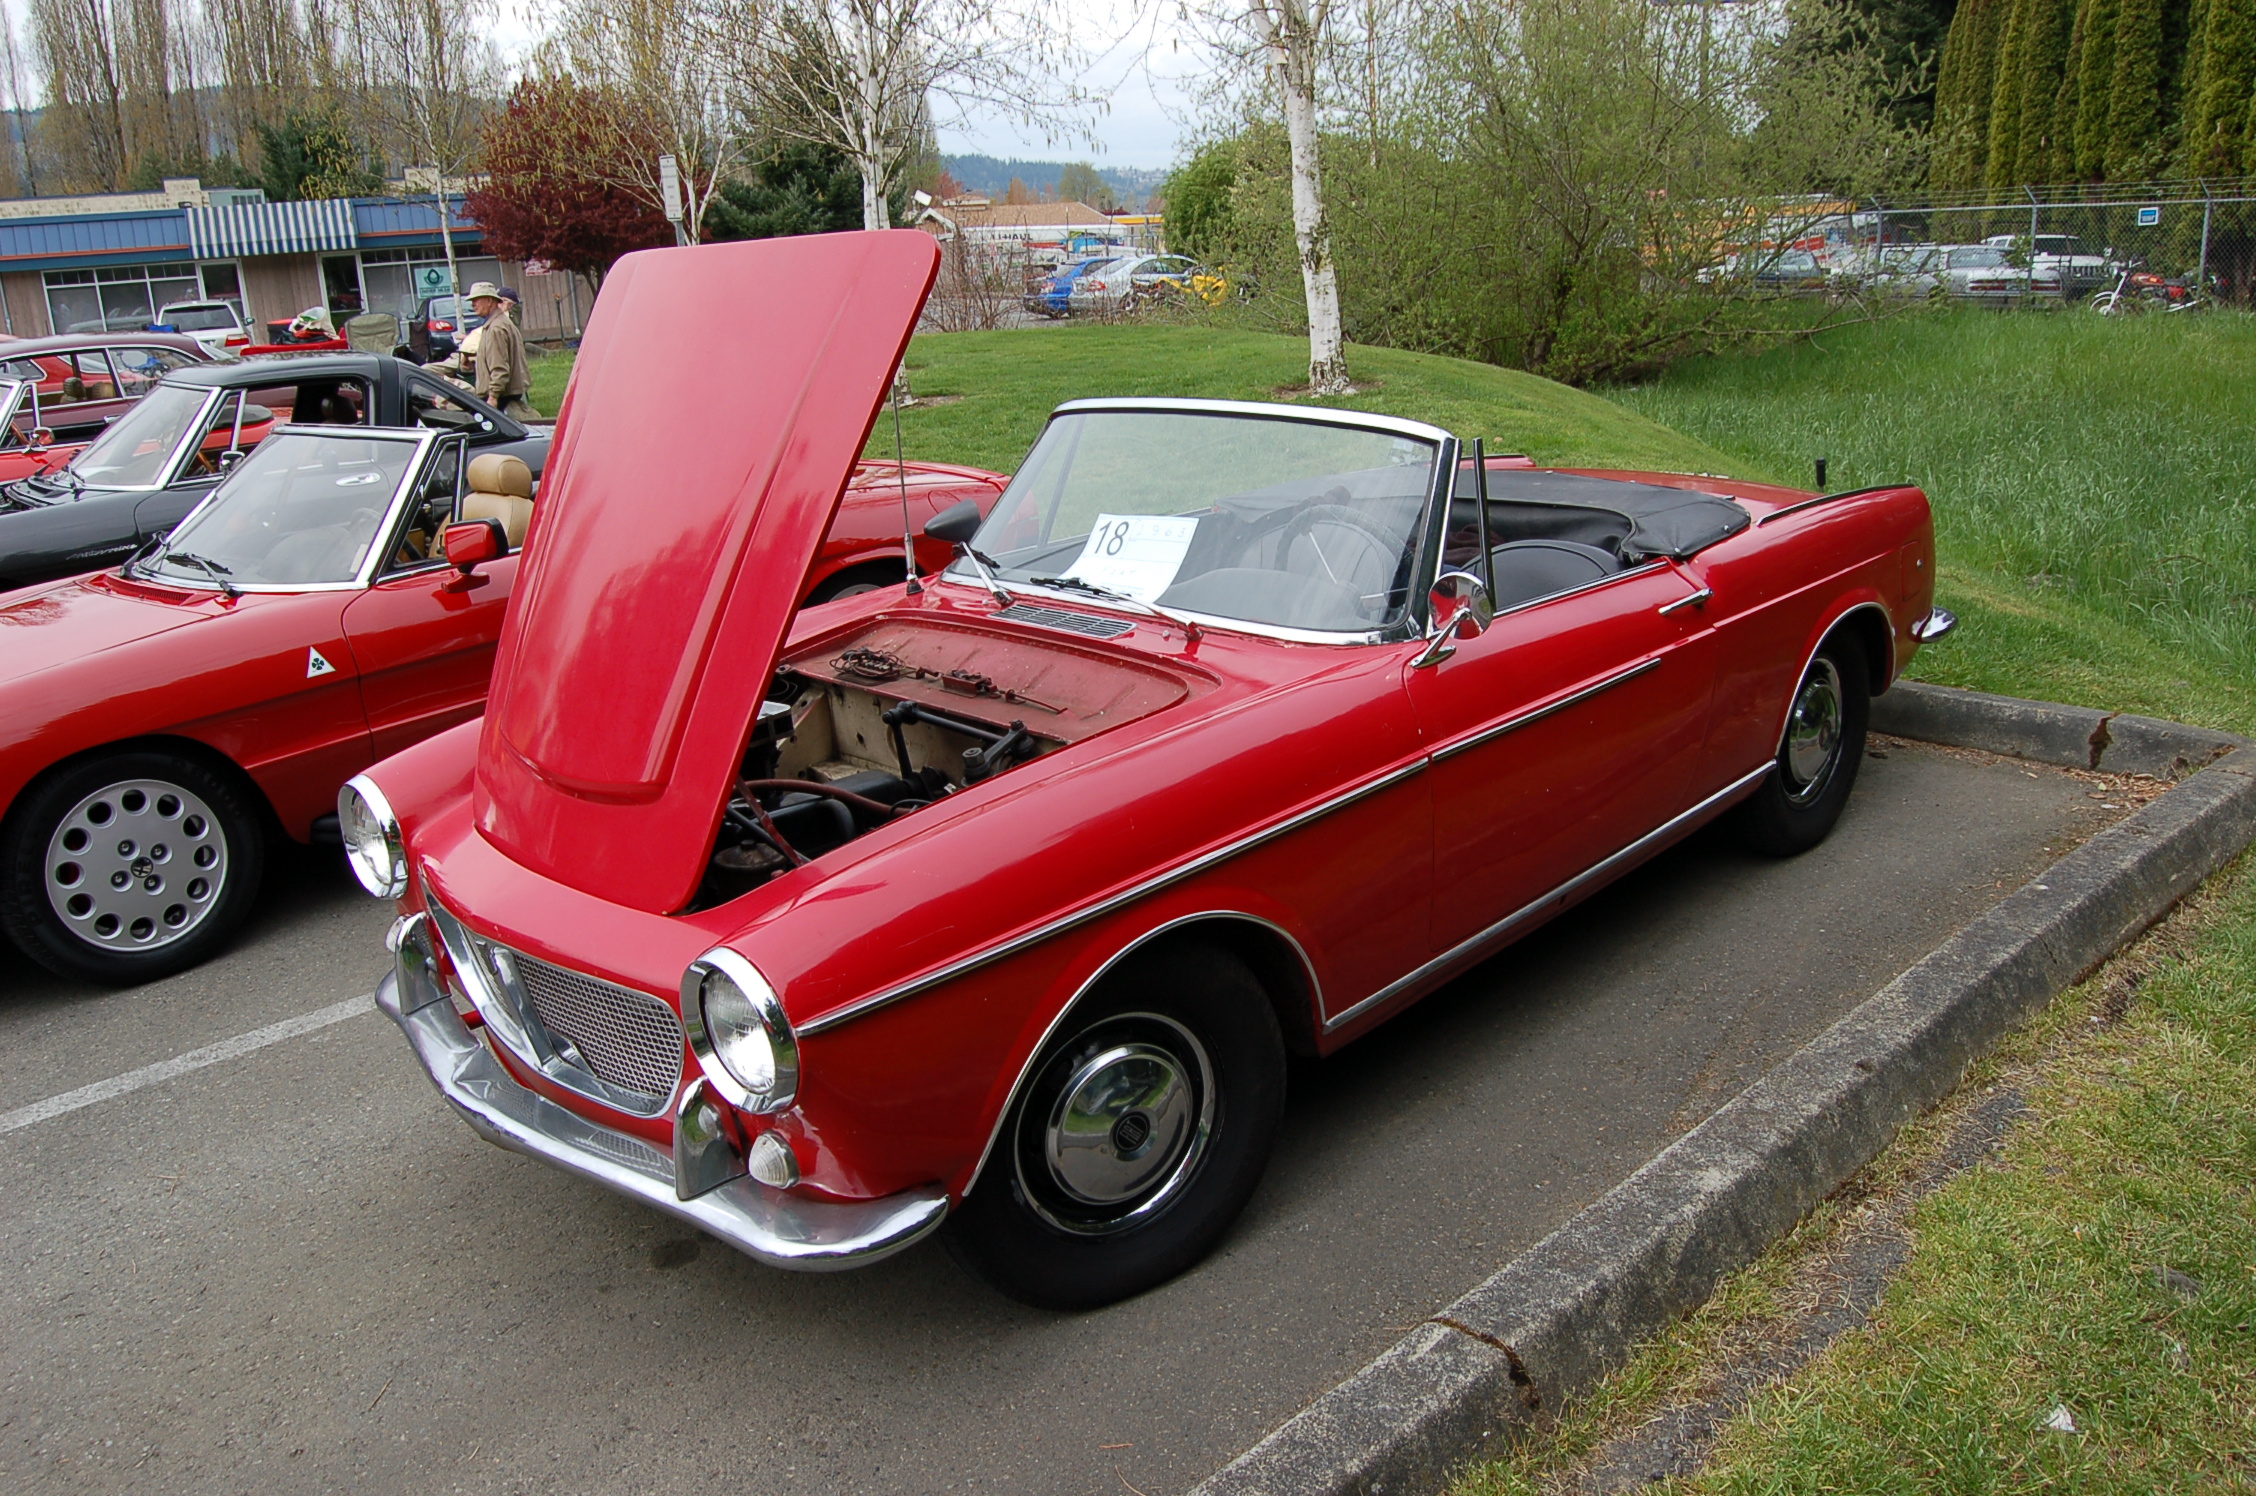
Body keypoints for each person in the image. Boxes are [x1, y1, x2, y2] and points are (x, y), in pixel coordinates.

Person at [465, 281, 535, 421]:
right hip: (503, 395)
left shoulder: (496, 328)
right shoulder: (497, 323)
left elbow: (500, 367)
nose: (473, 304)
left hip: (501, 397)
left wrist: (493, 397)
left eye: (476, 299)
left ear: (490, 300)